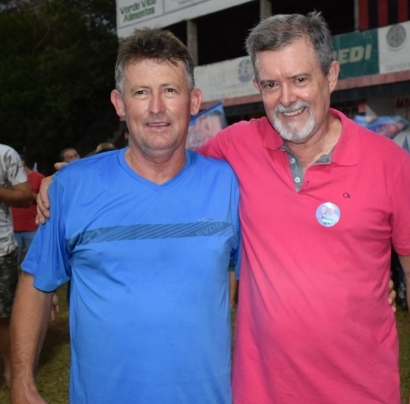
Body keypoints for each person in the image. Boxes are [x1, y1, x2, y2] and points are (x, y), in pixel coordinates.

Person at [36, 13, 410, 404]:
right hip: (260, 392)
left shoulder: (390, 164)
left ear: (331, 75)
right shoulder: (236, 148)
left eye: (300, 79)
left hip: (361, 390)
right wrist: (72, 180)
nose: (286, 99)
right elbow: (161, 156)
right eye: (270, 84)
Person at [11, 29, 240, 404]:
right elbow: (36, 282)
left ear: (194, 100)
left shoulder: (228, 185)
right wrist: (21, 384)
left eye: (170, 90)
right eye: (141, 92)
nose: (156, 107)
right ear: (119, 103)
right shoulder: (71, 188)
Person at [0, 144, 32, 388]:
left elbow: (25, 196)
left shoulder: (4, 154)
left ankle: (11, 371)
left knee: (3, 316)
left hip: (1, 249)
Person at [11, 155, 45, 264]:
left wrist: (28, 193)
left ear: (22, 161)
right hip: (12, 228)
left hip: (33, 227)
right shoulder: (9, 179)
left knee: (35, 262)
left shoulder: (38, 177)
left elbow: (45, 200)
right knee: (11, 263)